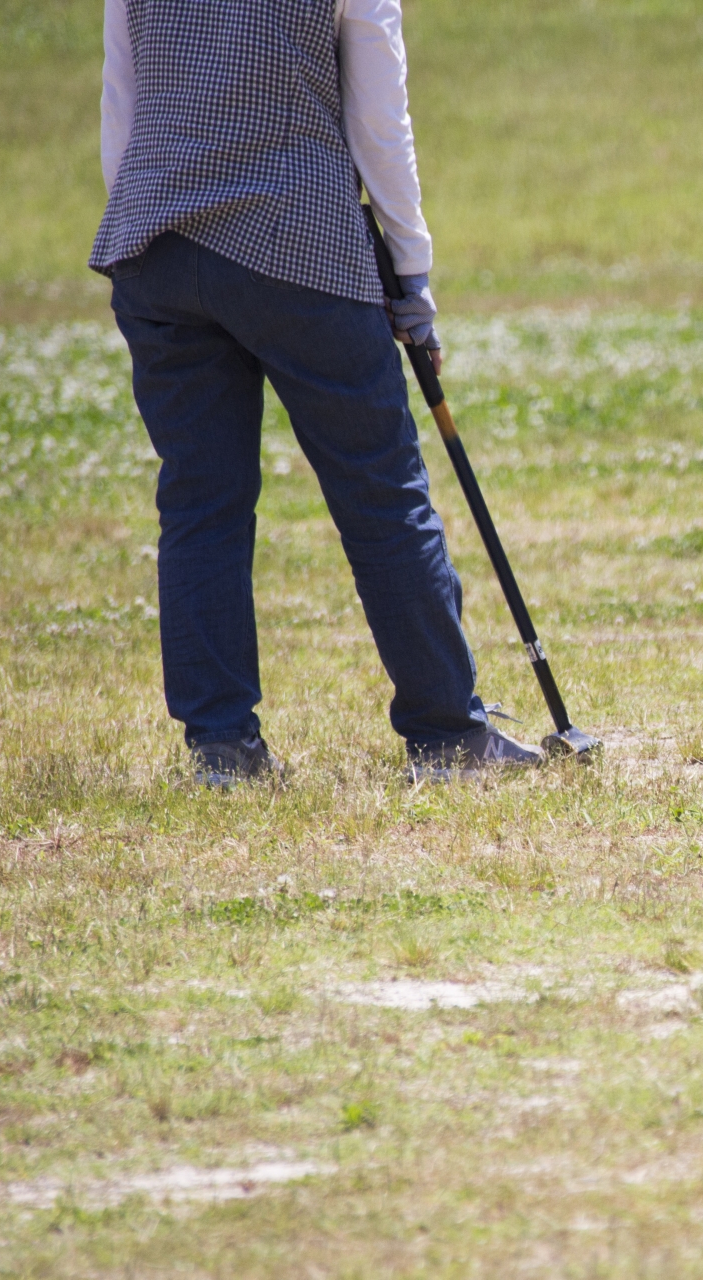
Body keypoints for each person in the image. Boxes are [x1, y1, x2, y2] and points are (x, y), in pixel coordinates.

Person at [91, 0, 540, 783]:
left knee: (199, 501)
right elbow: (378, 118)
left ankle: (221, 749)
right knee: (381, 489)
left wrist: (139, 230)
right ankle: (447, 735)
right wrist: (411, 269)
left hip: (155, 242)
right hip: (297, 239)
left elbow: (122, 98)